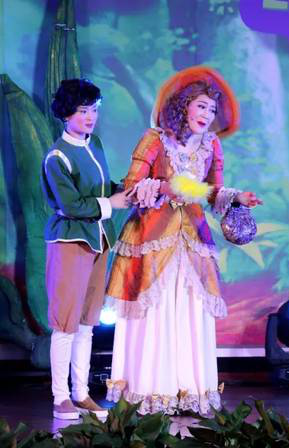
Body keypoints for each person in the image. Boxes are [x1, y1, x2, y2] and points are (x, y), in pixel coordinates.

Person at [105, 66, 261, 415]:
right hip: (153, 236)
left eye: (212, 109)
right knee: (155, 312)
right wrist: (164, 187)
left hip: (192, 237)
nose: (207, 115)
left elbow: (211, 191)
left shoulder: (212, 145)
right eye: (201, 106)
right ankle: (151, 390)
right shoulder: (154, 139)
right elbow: (130, 187)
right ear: (184, 106)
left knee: (190, 312)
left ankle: (188, 389)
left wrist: (237, 197)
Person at [42, 79, 131, 420]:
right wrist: (112, 203)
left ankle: (81, 394)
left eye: (94, 109)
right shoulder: (57, 157)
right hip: (70, 242)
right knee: (65, 324)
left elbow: (103, 187)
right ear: (67, 114)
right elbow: (71, 205)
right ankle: (60, 397)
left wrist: (127, 190)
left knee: (86, 323)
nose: (90, 117)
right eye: (83, 111)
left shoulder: (96, 145)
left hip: (98, 239)